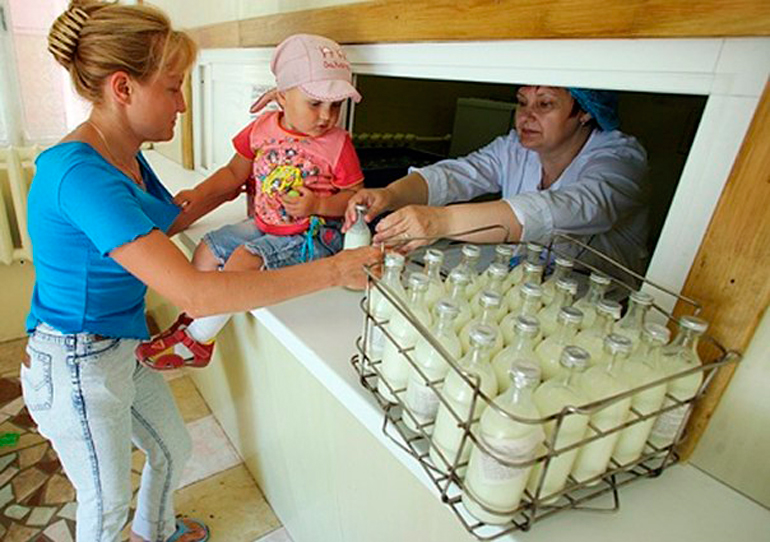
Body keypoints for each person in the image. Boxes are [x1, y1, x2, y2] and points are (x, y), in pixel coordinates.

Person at [23, 3, 379, 542]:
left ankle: (157, 531)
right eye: (172, 87)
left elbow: (169, 218)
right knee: (104, 504)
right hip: (74, 363)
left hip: (118, 346)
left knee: (173, 447)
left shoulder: (123, 155)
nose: (183, 104)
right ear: (123, 88)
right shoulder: (78, 174)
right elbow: (196, 293)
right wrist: (335, 270)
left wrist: (244, 177)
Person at [135, 33, 364, 370]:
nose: (326, 116)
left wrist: (318, 205)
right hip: (264, 224)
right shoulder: (261, 129)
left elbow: (357, 199)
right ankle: (195, 322)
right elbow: (232, 173)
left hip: (309, 235)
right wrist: (199, 194)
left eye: (336, 105)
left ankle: (196, 342)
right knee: (207, 250)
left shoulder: (337, 144)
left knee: (242, 260)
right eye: (315, 103)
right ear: (283, 96)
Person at [343, 85, 649, 279]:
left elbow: (574, 208)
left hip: (598, 298)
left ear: (584, 112)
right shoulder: (515, 147)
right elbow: (455, 174)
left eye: (545, 104)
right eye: (522, 102)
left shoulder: (620, 158)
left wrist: (441, 221)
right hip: (527, 281)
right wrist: (391, 194)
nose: (526, 117)